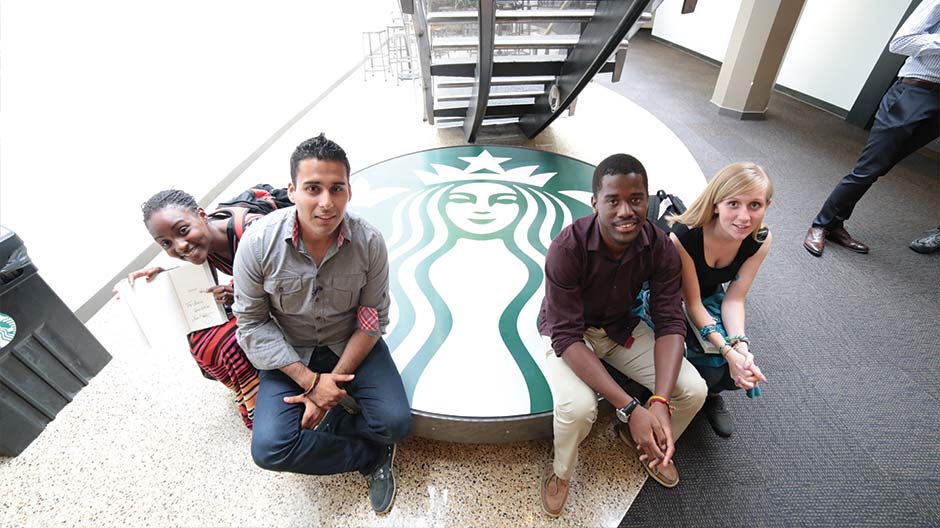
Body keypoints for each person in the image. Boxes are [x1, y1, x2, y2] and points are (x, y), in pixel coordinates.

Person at [232, 133, 411, 514]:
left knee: (395, 423)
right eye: (313, 188)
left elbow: (372, 317)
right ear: (292, 190)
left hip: (350, 346)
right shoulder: (258, 244)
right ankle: (367, 456)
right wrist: (311, 383)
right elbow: (251, 324)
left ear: (349, 191)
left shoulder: (369, 242)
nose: (326, 203)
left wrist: (330, 385)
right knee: (269, 449)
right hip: (289, 352)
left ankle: (352, 423)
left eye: (337, 189)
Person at [537, 154, 707, 517]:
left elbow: (669, 321)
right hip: (572, 334)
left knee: (694, 390)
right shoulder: (567, 248)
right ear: (595, 202)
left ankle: (646, 441)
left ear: (647, 199)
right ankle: (561, 474)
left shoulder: (659, 246)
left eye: (636, 199)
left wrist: (659, 399)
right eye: (613, 200)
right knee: (578, 409)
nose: (626, 211)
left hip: (619, 327)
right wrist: (630, 407)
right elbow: (565, 336)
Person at [803, 0, 940, 256]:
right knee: (869, 168)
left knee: (882, 166)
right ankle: (820, 224)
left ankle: (835, 225)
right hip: (915, 91)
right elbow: (901, 42)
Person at [129, 189, 263, 429]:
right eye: (166, 243)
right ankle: (252, 387)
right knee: (201, 338)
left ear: (202, 215)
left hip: (290, 299)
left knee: (223, 342)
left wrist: (243, 297)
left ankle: (261, 398)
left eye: (183, 231)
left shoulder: (255, 234)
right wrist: (162, 278)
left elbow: (295, 285)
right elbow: (199, 287)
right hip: (255, 294)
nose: (180, 246)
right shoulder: (206, 243)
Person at [666, 162, 772, 437]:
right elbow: (692, 304)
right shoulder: (684, 236)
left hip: (709, 295)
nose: (744, 217)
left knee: (736, 369)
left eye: (755, 205)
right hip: (670, 297)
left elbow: (734, 300)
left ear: (767, 207)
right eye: (733, 204)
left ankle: (710, 394)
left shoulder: (760, 239)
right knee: (713, 365)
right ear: (716, 204)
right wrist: (726, 350)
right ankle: (691, 392)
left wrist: (741, 346)